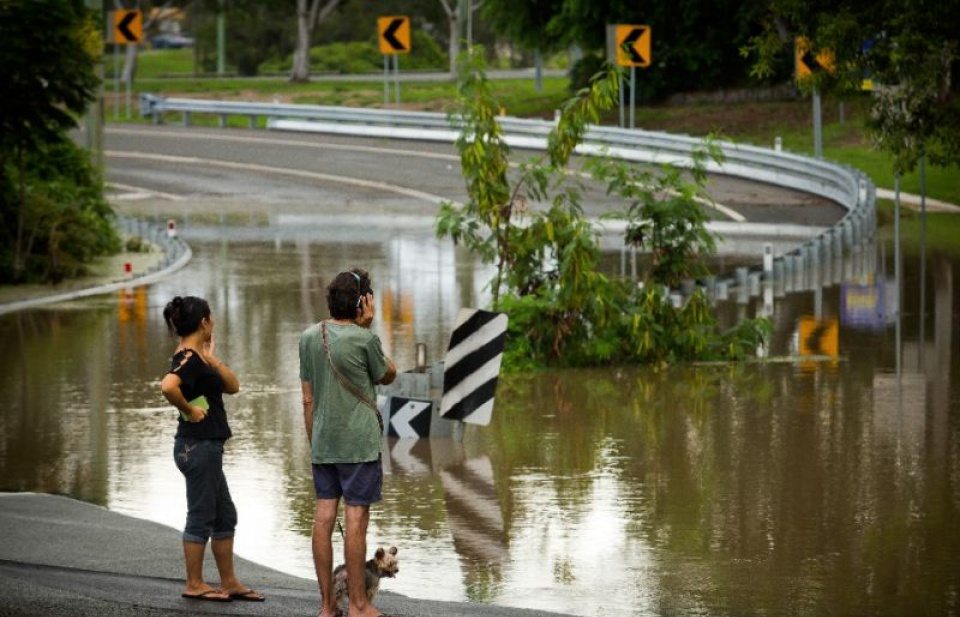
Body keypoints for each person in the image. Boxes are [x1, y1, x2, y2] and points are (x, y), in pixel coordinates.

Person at [299, 269, 397, 617]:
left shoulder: (309, 337)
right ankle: (357, 604)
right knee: (355, 519)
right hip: (358, 444)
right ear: (363, 302)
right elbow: (388, 373)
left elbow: (307, 399)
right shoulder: (363, 339)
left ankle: (327, 606)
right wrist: (366, 329)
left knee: (323, 518)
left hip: (323, 441)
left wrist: (316, 441)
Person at [160, 295, 265, 603]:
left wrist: (212, 358)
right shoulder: (188, 360)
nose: (214, 322)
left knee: (224, 516)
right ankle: (194, 583)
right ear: (204, 322)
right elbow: (168, 386)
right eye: (212, 318)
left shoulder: (197, 357)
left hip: (206, 447)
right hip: (197, 446)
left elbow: (233, 386)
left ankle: (229, 582)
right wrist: (190, 411)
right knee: (201, 516)